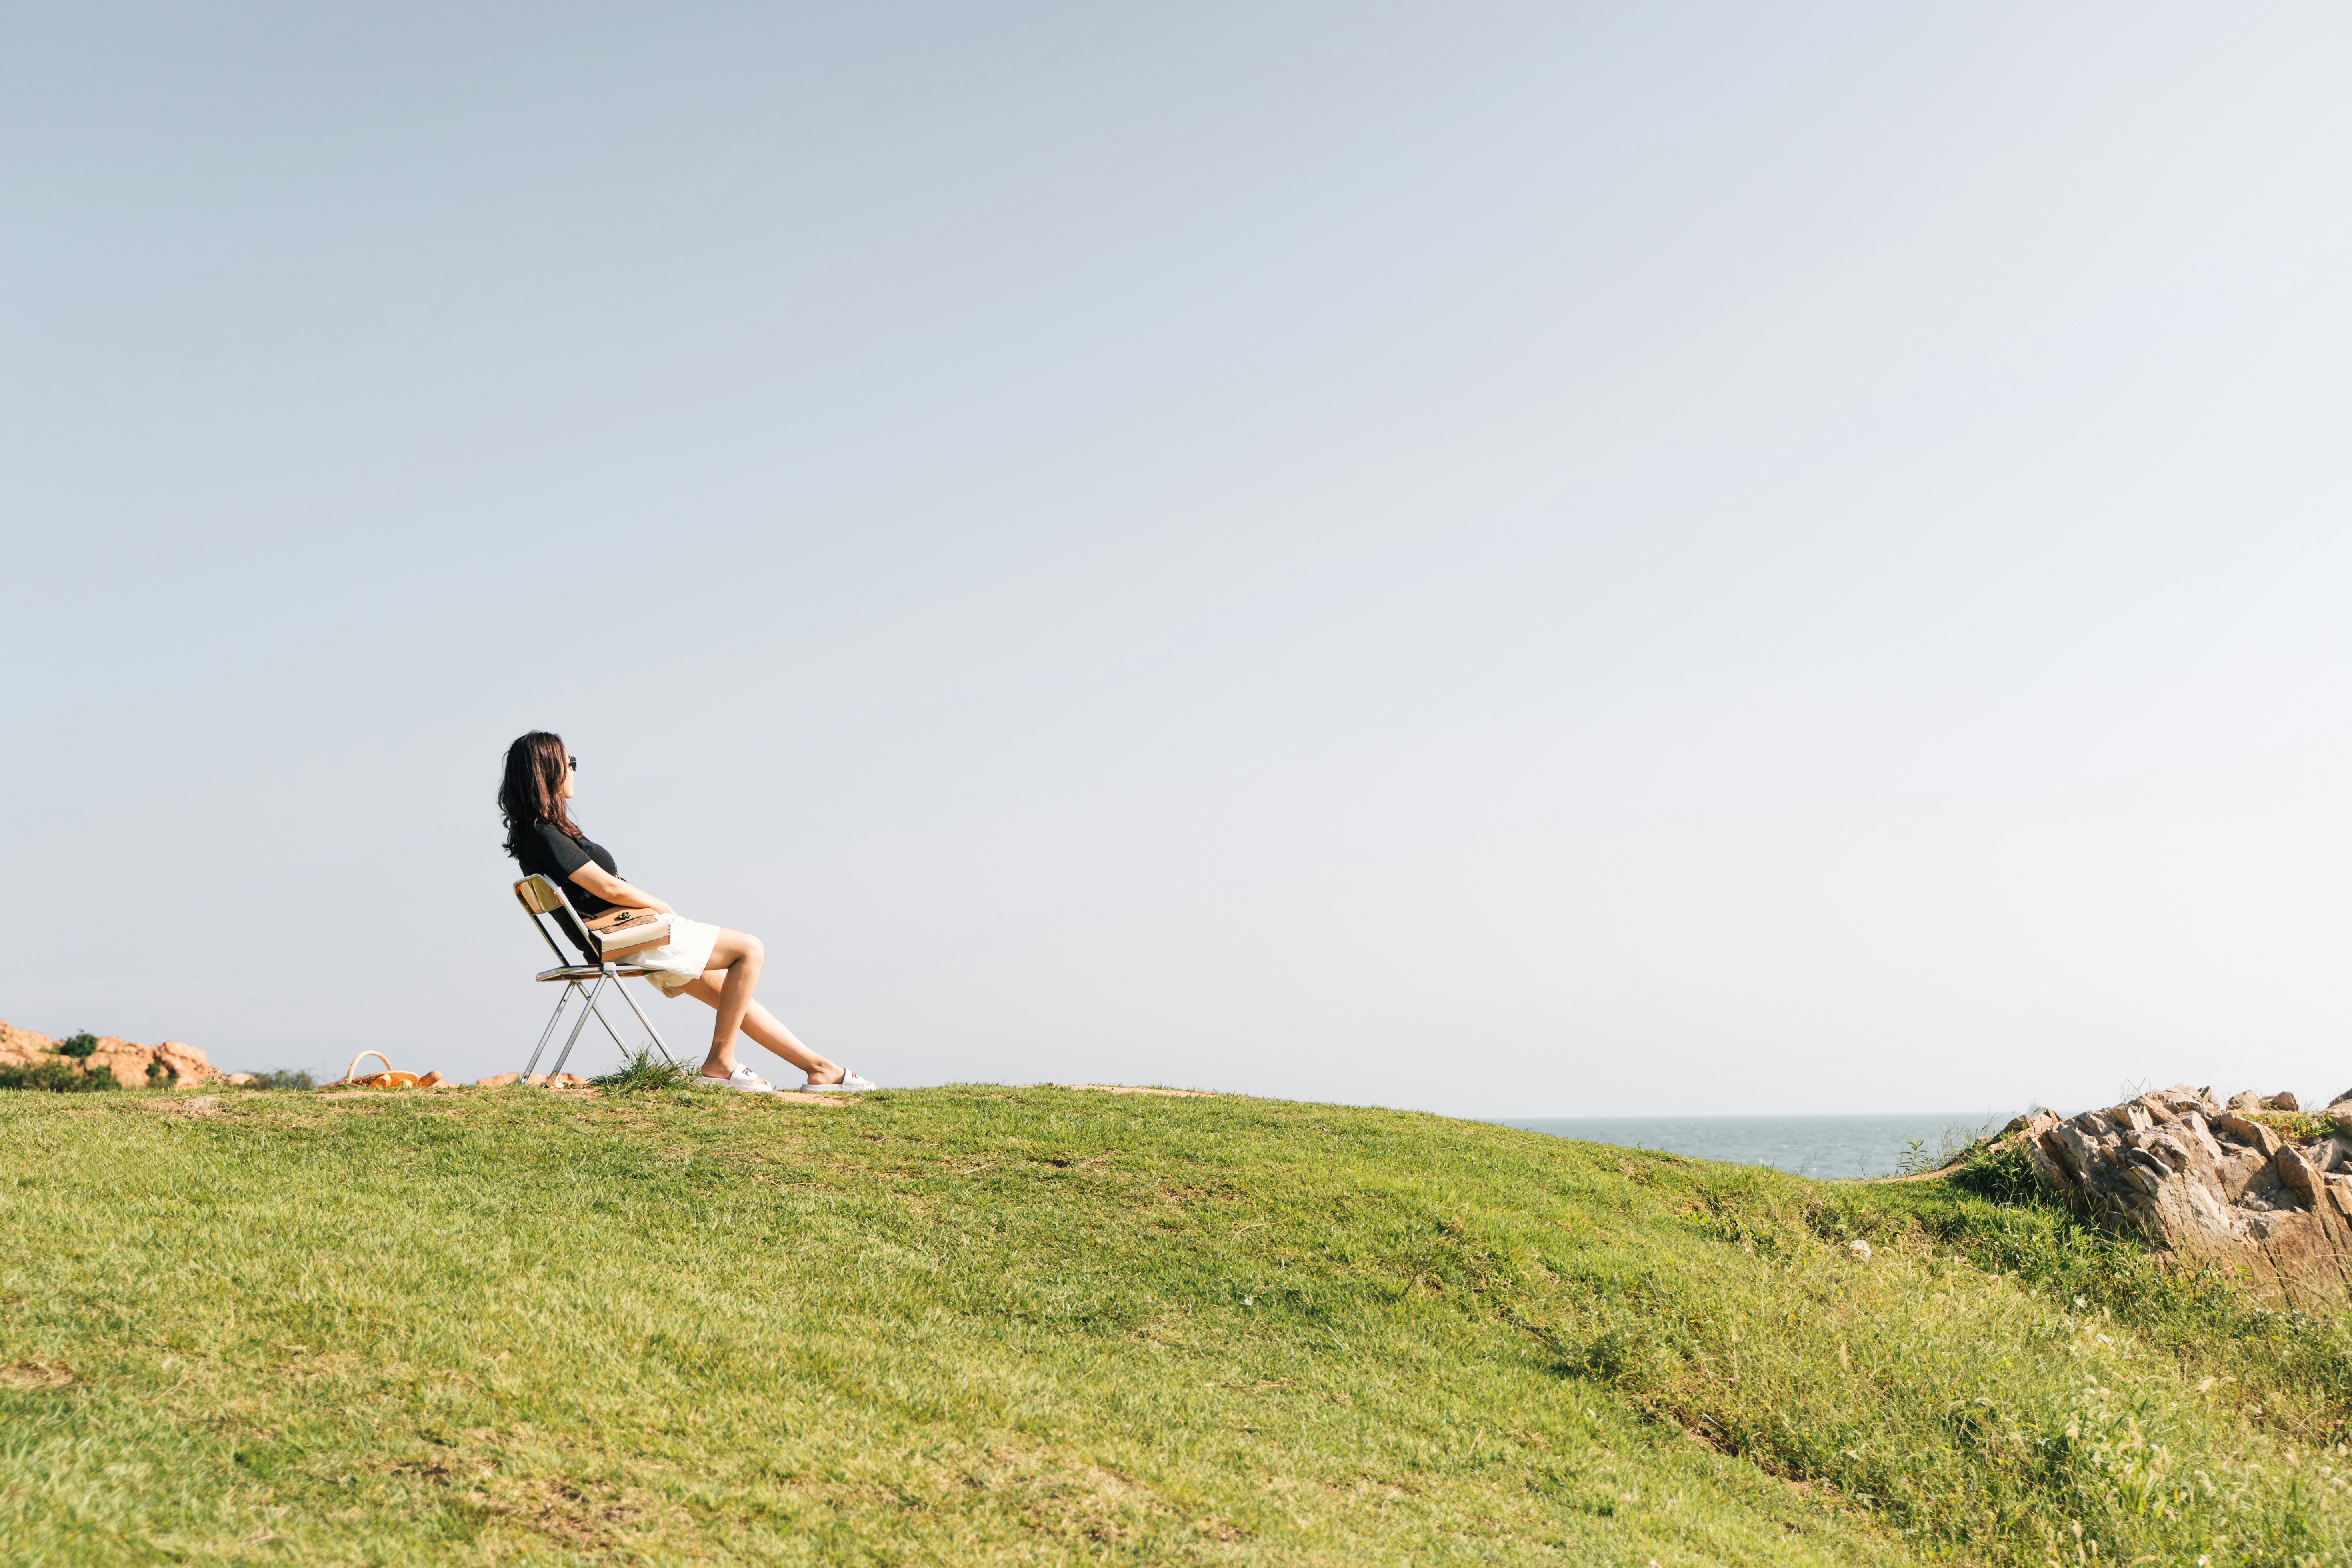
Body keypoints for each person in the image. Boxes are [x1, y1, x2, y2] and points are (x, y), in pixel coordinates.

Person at [496, 730, 875, 1094]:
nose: (575, 770)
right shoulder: (544, 833)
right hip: (627, 937)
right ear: (546, 771)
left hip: (622, 940)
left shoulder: (540, 834)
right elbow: (606, 887)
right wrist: (660, 906)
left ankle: (819, 1069)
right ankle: (720, 1063)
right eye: (570, 762)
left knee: (733, 994)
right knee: (749, 950)